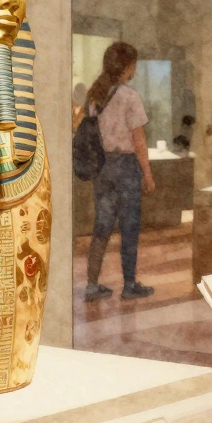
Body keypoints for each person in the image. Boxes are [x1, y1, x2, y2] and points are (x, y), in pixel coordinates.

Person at [84, 42, 155, 302]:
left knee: (101, 227)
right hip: (125, 167)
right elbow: (139, 141)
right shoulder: (130, 97)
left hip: (102, 167)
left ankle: (92, 284)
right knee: (129, 226)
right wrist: (147, 175)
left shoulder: (95, 95)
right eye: (133, 64)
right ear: (126, 67)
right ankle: (129, 284)